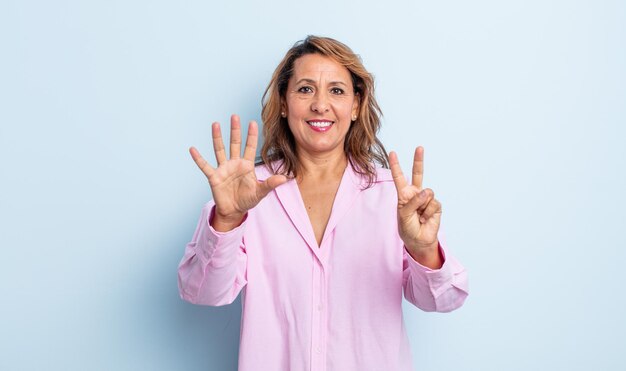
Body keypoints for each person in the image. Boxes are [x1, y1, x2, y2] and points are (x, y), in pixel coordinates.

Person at [178, 35, 468, 371]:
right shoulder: (245, 194)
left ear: (356, 106)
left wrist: (423, 250)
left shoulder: (396, 197)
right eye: (304, 89)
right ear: (284, 103)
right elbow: (203, 292)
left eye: (337, 90)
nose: (320, 105)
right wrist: (227, 221)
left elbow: (445, 299)